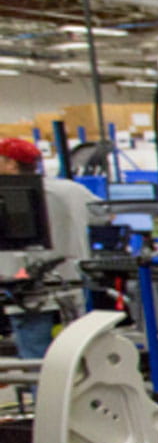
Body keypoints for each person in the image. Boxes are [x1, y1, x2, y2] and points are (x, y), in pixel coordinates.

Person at [0, 138, 93, 360]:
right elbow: (107, 216)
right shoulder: (73, 190)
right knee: (79, 364)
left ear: (12, 164)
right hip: (73, 290)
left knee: (40, 370)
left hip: (28, 298)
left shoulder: (5, 195)